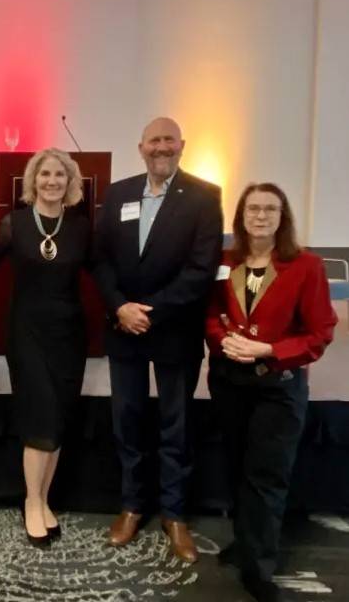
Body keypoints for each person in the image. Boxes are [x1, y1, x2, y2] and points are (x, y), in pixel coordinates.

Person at [93, 117, 223, 562]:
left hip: (175, 332)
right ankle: (131, 505)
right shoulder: (118, 194)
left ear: (182, 146)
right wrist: (119, 308)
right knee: (126, 421)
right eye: (154, 141)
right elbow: (101, 259)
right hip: (123, 329)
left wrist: (152, 312)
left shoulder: (205, 197)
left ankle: (175, 513)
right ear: (141, 147)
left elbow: (201, 269)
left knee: (177, 425)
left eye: (169, 140)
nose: (161, 147)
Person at [206, 183, 336, 602]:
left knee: (266, 477)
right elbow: (210, 314)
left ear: (283, 218)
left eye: (269, 209)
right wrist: (222, 340)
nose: (260, 216)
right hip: (229, 383)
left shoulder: (306, 266)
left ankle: (259, 566)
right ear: (241, 216)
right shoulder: (224, 262)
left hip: (277, 388)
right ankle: (245, 543)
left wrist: (270, 350)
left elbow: (320, 332)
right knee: (237, 468)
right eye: (253, 209)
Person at [0, 148, 91, 548]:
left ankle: (44, 499)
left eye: (59, 175)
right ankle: (31, 501)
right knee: (39, 418)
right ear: (33, 180)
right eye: (44, 174)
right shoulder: (15, 223)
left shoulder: (80, 227)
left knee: (58, 419)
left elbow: (103, 272)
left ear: (69, 182)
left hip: (69, 336)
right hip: (26, 334)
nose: (51, 181)